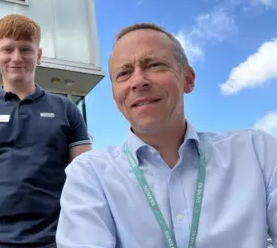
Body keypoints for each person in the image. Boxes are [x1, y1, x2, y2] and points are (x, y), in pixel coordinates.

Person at [56, 23, 277, 248]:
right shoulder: (90, 175)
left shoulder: (256, 152)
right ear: (115, 96)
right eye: (124, 73)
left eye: (155, 65)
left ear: (188, 79)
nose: (138, 81)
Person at [0, 14, 92, 248]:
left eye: (25, 49)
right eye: (8, 49)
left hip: (55, 241)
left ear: (39, 55)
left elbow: (86, 181)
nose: (16, 57)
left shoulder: (67, 110)